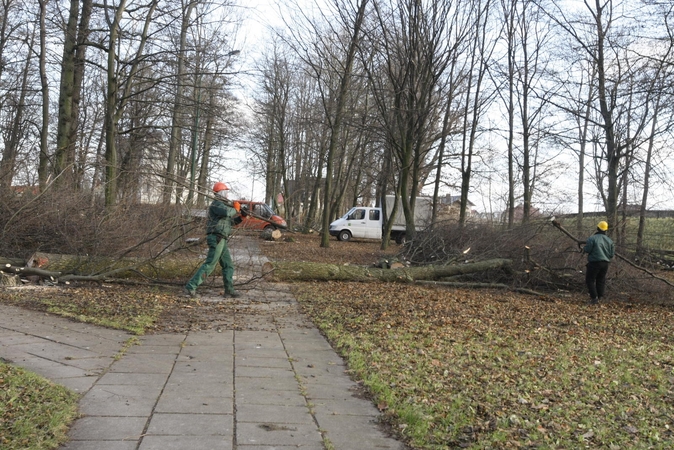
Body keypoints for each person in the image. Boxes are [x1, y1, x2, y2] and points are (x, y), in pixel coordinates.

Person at [184, 182, 245, 299]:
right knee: (210, 264)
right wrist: (236, 209)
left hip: (221, 239)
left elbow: (229, 222)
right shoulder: (216, 204)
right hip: (216, 237)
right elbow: (228, 213)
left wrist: (241, 218)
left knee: (228, 265)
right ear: (221, 193)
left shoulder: (222, 205)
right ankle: (190, 287)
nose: (227, 195)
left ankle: (229, 290)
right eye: (226, 192)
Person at [581, 220, 615, 304]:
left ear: (597, 228)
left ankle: (594, 298)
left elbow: (588, 250)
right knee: (600, 280)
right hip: (605, 264)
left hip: (594, 263)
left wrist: (583, 249)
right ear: (605, 230)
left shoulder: (592, 238)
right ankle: (600, 297)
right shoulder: (610, 241)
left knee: (590, 280)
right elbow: (611, 254)